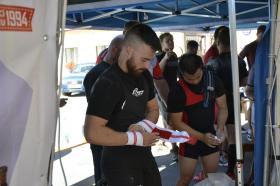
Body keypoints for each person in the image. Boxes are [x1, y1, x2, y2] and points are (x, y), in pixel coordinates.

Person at [84, 23, 162, 186]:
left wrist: (144, 124)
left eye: (150, 60)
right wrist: (135, 138)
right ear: (128, 50)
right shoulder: (108, 83)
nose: (148, 65)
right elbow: (92, 132)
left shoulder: (144, 75)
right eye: (144, 59)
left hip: (145, 156)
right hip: (118, 164)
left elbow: (154, 109)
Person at [167, 54, 228, 186]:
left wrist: (220, 128)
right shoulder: (177, 90)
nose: (194, 81)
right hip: (189, 139)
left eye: (198, 77)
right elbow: (176, 122)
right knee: (186, 178)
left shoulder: (213, 80)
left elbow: (223, 108)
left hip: (210, 136)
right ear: (181, 74)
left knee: (211, 177)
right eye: (189, 79)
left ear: (202, 68)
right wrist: (201, 137)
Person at [207, 27, 248, 179]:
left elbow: (207, 88)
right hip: (233, 100)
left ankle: (208, 171)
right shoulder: (239, 61)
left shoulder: (211, 64)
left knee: (213, 136)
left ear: (218, 42)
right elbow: (244, 81)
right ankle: (232, 170)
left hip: (216, 105)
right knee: (233, 138)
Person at [83, 35, 124, 185]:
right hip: (103, 138)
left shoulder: (119, 71)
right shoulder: (96, 74)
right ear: (114, 50)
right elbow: (99, 110)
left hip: (119, 136)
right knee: (104, 178)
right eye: (125, 51)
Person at [152, 32, 179, 160]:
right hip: (162, 92)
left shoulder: (174, 57)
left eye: (172, 40)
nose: (171, 43)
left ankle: (174, 142)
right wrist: (165, 58)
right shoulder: (158, 57)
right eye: (168, 41)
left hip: (174, 90)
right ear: (161, 44)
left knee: (175, 117)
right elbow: (157, 73)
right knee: (169, 119)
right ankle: (174, 148)